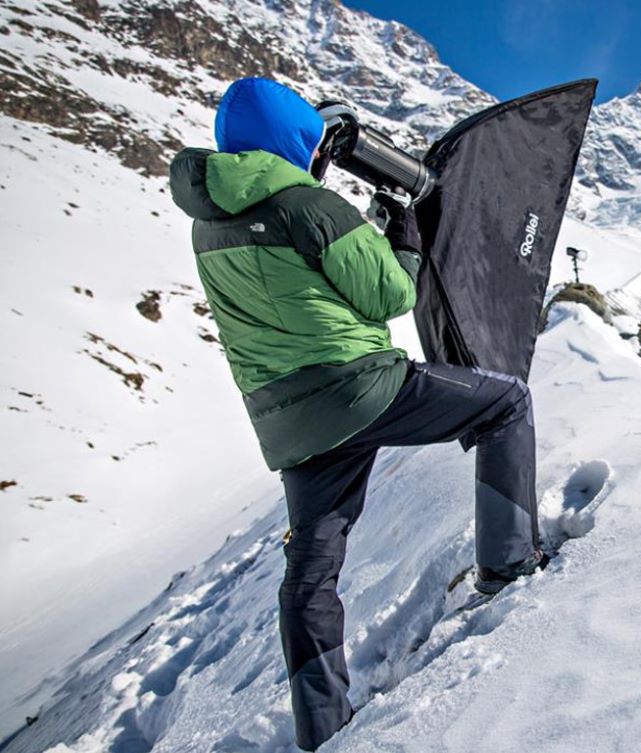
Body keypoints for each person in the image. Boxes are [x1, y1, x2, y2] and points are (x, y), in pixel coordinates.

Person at [168, 77, 545, 751]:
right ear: (292, 141)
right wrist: (397, 233)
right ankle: (509, 563)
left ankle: (323, 725)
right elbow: (389, 295)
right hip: (359, 388)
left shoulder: (206, 224)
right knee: (505, 404)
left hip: (286, 420)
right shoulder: (307, 204)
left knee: (311, 571)